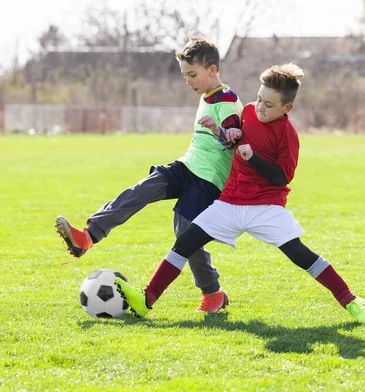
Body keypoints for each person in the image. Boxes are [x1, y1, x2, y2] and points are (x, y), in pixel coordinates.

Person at [115, 63, 365, 324]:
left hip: (265, 207)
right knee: (185, 242)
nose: (260, 107)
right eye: (260, 99)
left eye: (269, 105)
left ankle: (350, 300)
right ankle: (146, 299)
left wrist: (253, 159)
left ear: (287, 108)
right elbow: (232, 142)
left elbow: (282, 176)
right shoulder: (248, 111)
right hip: (229, 203)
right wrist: (220, 132)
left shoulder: (288, 134)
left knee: (300, 254)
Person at [55, 34, 244, 310]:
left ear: (212, 69)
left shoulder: (226, 98)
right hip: (187, 166)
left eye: (192, 74)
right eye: (184, 76)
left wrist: (219, 131)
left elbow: (232, 138)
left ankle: (212, 293)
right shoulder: (207, 95)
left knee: (184, 232)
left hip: (208, 180)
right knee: (143, 188)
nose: (188, 81)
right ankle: (88, 236)